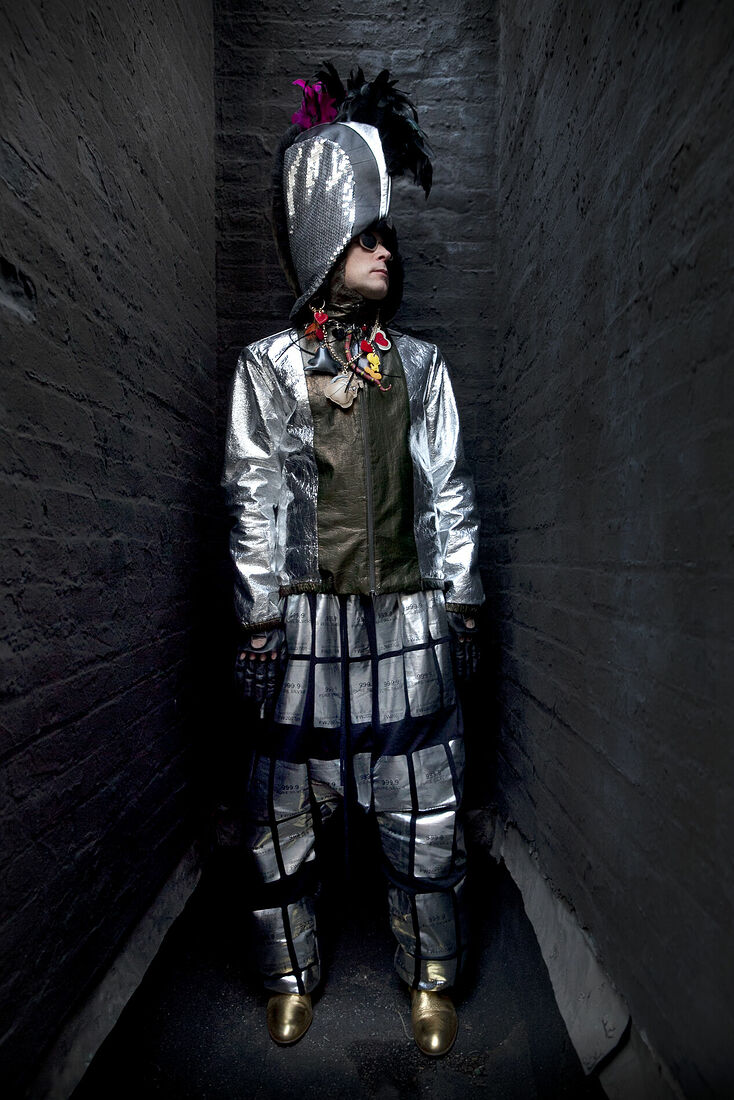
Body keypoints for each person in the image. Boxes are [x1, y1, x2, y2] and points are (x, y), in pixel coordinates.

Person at [222, 65, 483, 1057]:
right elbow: (251, 491)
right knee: (282, 812)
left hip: (408, 614)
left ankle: (431, 978)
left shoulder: (421, 366)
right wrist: (256, 616)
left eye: (387, 239)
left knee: (425, 805)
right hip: (304, 616)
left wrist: (463, 601)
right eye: (368, 235)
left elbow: (448, 486)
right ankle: (289, 973)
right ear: (325, 239)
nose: (385, 251)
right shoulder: (266, 367)